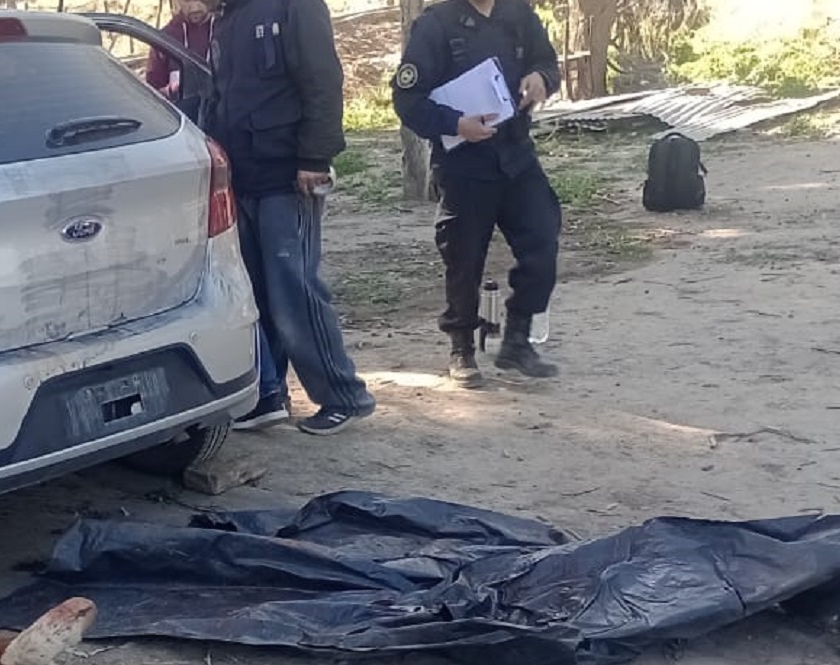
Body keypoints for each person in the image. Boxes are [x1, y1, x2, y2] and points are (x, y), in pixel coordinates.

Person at [201, 0, 378, 436]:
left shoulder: (295, 6)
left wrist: (315, 156)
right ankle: (268, 394)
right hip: (243, 173)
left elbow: (322, 80)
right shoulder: (227, 18)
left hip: (288, 174)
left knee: (294, 289)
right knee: (256, 291)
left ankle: (343, 395)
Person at [392, 0, 562, 387]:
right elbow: (407, 100)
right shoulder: (435, 25)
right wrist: (455, 123)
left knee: (542, 236)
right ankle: (462, 347)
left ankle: (517, 339)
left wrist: (541, 78)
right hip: (465, 163)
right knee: (464, 256)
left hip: (516, 156)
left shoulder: (518, 14)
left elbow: (548, 65)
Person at [145, 0, 216, 125]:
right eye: (186, 1)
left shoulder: (228, 28)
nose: (194, 7)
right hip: (182, 123)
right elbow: (152, 91)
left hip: (224, 121)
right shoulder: (166, 37)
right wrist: (171, 91)